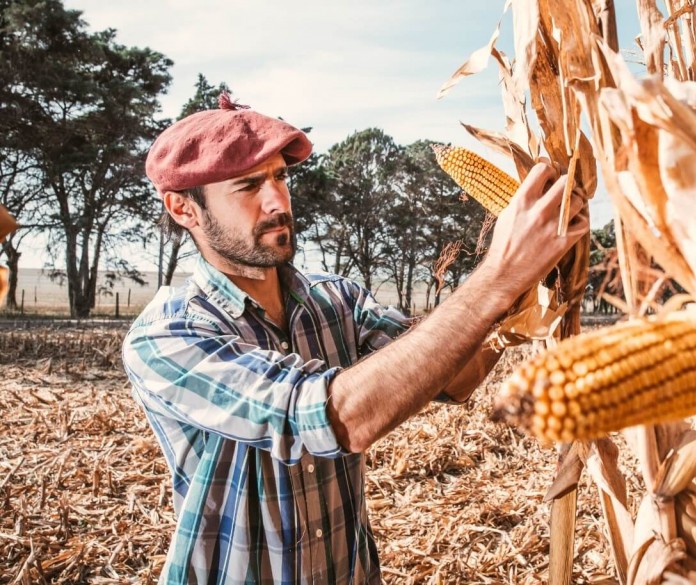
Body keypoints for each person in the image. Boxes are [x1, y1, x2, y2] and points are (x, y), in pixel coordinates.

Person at [122, 93, 589, 584]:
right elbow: (339, 417)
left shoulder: (337, 300)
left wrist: (525, 283)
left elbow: (458, 376)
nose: (277, 200)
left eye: (280, 176)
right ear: (182, 208)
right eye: (248, 185)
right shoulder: (166, 336)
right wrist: (497, 274)